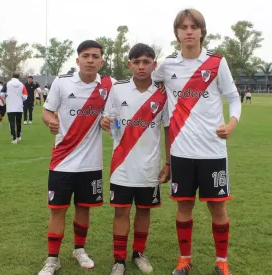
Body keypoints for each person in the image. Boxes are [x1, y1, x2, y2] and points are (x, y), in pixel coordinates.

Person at [152, 8, 242, 275]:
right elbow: (147, 84)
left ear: (202, 31)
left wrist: (232, 123)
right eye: (183, 27)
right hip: (181, 151)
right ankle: (184, 260)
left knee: (218, 206)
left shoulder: (217, 62)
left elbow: (234, 98)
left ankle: (222, 263)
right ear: (177, 33)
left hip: (213, 151)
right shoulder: (167, 66)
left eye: (194, 26)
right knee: (184, 206)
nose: (189, 31)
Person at [37, 40, 115, 275]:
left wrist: (106, 120)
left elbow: (116, 110)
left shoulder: (108, 86)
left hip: (91, 164)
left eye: (95, 56)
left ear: (101, 61)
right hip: (62, 161)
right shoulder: (62, 83)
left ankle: (79, 249)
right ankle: (52, 259)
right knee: (57, 209)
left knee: (84, 209)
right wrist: (50, 121)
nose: (90, 60)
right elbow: (47, 110)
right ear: (77, 60)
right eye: (85, 55)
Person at [100, 43, 171, 275]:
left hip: (149, 167)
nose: (141, 66)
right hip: (121, 165)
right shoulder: (118, 89)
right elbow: (108, 118)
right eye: (137, 62)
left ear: (154, 65)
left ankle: (138, 253)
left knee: (144, 211)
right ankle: (119, 260)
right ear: (129, 64)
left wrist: (168, 163)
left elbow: (168, 129)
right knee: (120, 212)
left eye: (146, 62)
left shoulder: (162, 93)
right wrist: (106, 122)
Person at [5, 73, 27, 144]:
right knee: (18, 122)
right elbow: (25, 96)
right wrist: (20, 100)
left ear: (12, 76)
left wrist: (7, 98)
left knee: (11, 122)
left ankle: (14, 138)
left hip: (10, 106)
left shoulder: (7, 84)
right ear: (19, 77)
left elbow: (2, 94)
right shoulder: (22, 85)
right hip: (19, 106)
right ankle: (18, 136)